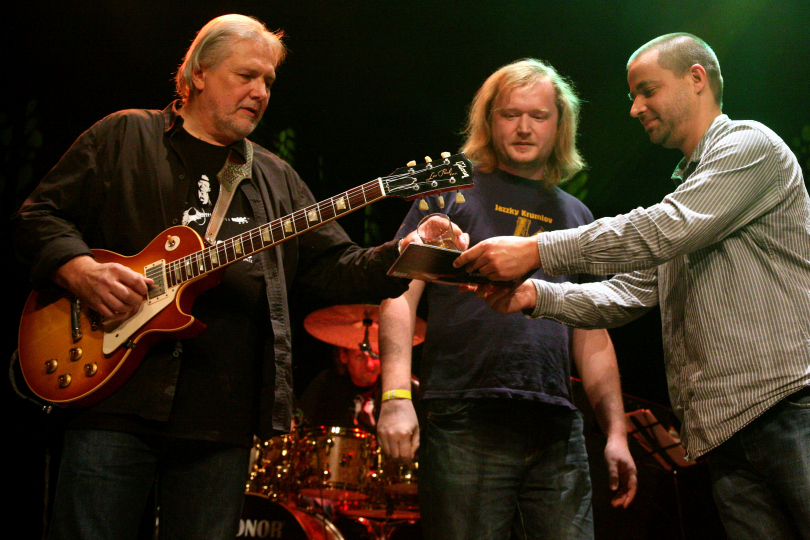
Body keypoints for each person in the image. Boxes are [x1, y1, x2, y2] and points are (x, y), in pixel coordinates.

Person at [13, 14, 420, 540]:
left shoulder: (275, 177)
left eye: (269, 82)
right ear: (198, 73)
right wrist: (81, 270)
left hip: (221, 416)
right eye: (246, 76)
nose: (260, 92)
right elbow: (37, 217)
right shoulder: (124, 135)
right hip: (114, 399)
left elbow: (333, 268)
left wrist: (404, 253)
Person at [459, 34, 810, 540]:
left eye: (647, 90)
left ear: (696, 78)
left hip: (788, 408)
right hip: (727, 432)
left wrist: (536, 250)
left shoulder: (749, 146)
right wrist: (535, 295)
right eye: (632, 96)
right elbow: (626, 294)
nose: (635, 108)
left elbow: (663, 228)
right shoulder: (695, 187)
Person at [376, 59, 637, 540]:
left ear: (559, 124)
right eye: (509, 114)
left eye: (538, 115)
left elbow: (592, 330)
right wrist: (394, 395)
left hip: (558, 426)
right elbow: (398, 291)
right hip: (465, 414)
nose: (523, 127)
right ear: (488, 120)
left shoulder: (576, 213)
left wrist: (616, 432)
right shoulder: (450, 192)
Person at [299, 346, 383, 432]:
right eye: (360, 356)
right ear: (343, 356)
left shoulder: (390, 386)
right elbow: (301, 424)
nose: (370, 364)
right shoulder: (327, 382)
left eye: (375, 355)